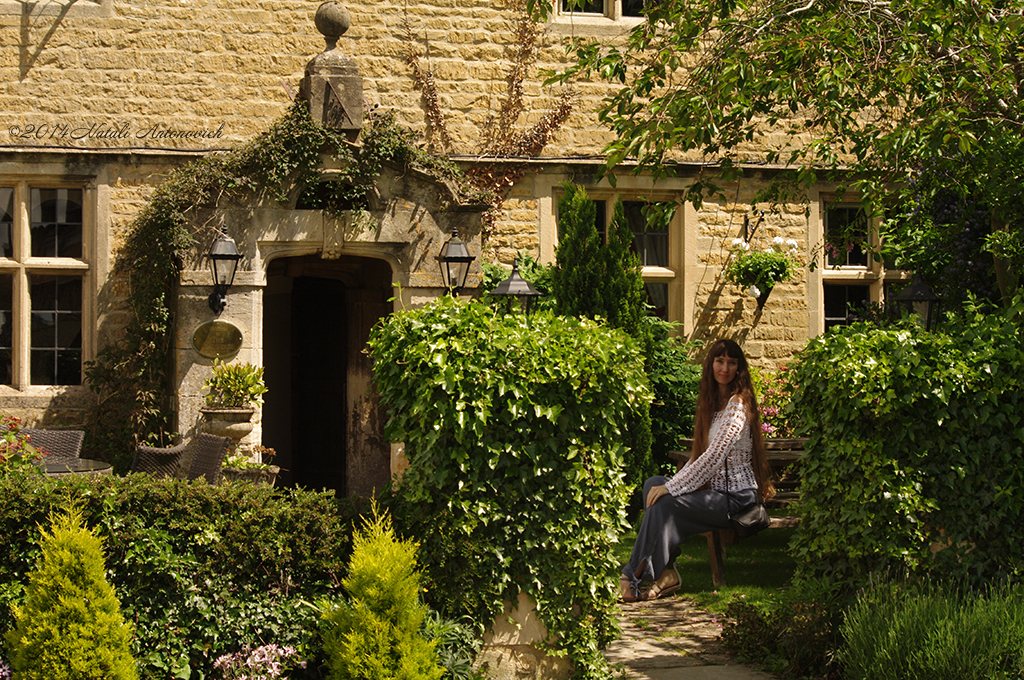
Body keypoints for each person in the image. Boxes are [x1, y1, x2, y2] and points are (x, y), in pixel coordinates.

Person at [619, 338, 775, 601]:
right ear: (711, 365)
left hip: (736, 497)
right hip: (716, 493)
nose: (725, 368)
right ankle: (666, 572)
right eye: (720, 361)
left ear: (739, 369)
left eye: (732, 363)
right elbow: (699, 455)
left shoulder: (738, 405)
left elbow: (714, 457)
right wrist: (667, 484)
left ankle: (631, 575)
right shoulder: (714, 405)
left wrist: (672, 487)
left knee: (664, 502)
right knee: (652, 484)